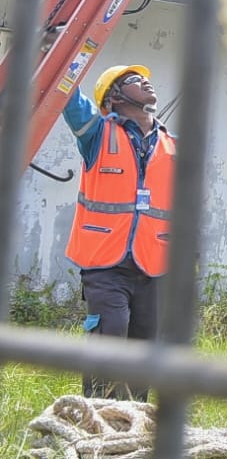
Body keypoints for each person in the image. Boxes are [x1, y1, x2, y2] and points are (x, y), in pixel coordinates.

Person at [60, 63, 175, 402]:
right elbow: (67, 94)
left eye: (146, 78)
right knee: (109, 335)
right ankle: (96, 416)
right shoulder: (96, 134)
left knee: (144, 348)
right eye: (133, 80)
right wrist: (61, 54)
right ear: (114, 97)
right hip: (105, 264)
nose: (145, 82)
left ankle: (133, 419)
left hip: (153, 265)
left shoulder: (172, 145)